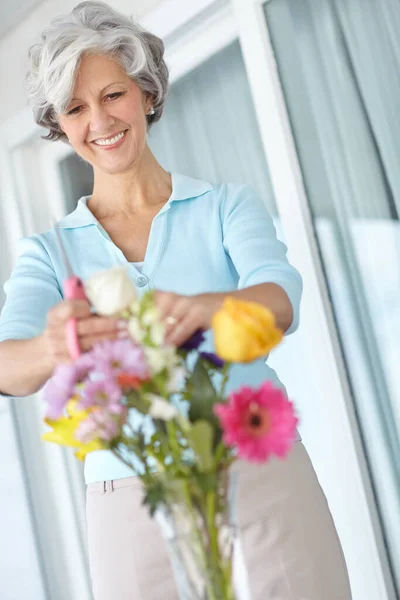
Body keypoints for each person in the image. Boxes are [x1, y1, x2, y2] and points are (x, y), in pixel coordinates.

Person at [0, 2, 352, 599]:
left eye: (112, 95)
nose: (100, 121)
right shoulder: (48, 253)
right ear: (61, 125)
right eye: (76, 108)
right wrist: (53, 343)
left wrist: (212, 307)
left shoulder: (224, 207)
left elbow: (279, 297)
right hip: (127, 499)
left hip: (260, 469)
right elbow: (8, 365)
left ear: (145, 93)